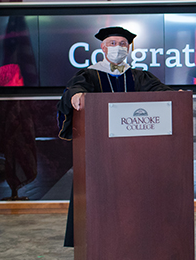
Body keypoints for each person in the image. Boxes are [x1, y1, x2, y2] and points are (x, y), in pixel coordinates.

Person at [57, 26, 173, 247]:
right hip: (99, 154)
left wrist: (176, 96)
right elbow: (73, 90)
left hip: (136, 154)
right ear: (103, 47)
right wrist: (76, 96)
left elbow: (160, 91)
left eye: (122, 44)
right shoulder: (88, 74)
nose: (117, 48)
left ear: (128, 49)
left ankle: (137, 239)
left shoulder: (139, 76)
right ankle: (97, 243)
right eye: (113, 43)